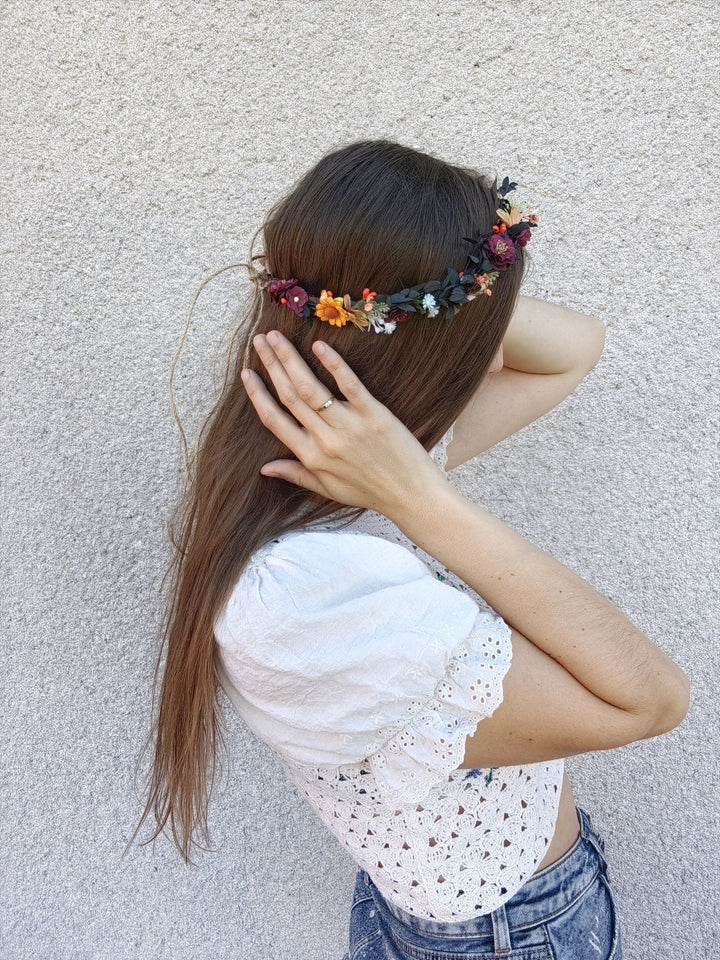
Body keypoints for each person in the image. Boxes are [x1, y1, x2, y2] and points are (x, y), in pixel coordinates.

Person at [136, 140, 689, 960]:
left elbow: (576, 346)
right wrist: (422, 496)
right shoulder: (308, 586)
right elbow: (650, 701)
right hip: (499, 937)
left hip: (514, 905)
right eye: (479, 341)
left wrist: (453, 306)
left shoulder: (327, 468)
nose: (499, 356)